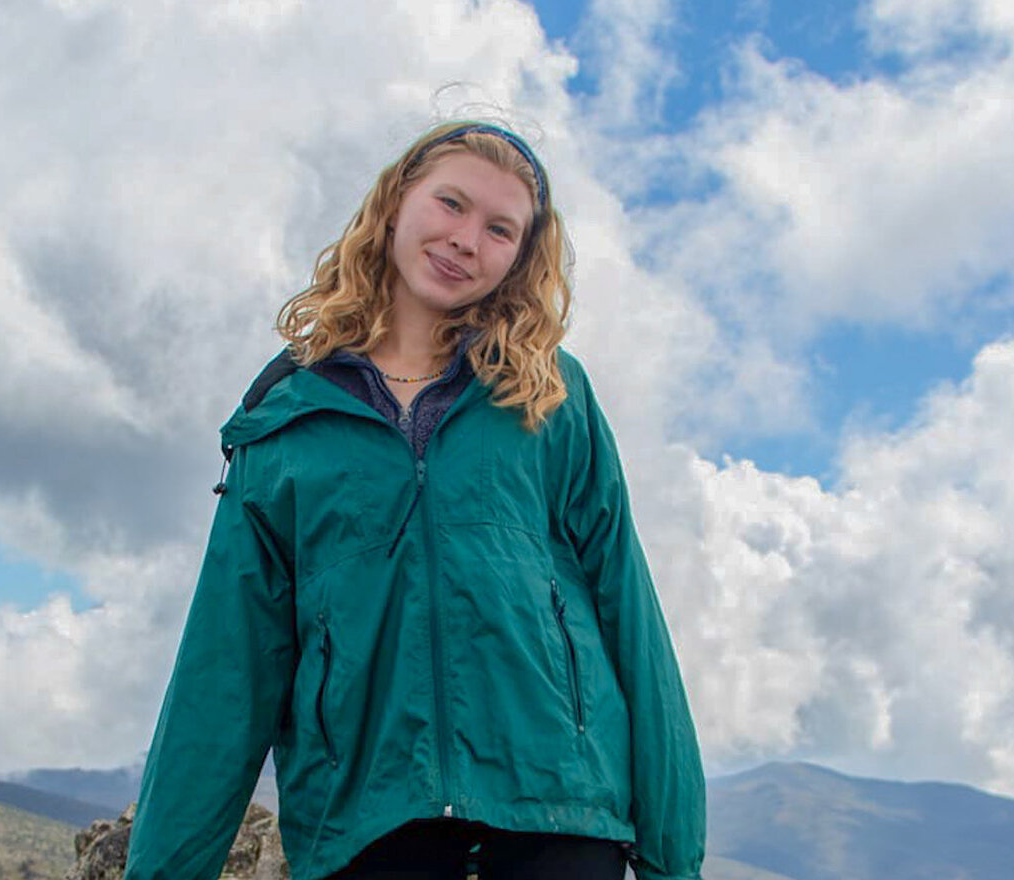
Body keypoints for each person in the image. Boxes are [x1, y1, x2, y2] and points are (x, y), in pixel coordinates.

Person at [123, 120, 706, 880]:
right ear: (397, 202)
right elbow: (226, 667)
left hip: (559, 815)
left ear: (522, 257)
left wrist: (673, 856)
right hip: (365, 825)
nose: (467, 239)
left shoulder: (549, 396)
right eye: (451, 204)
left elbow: (628, 609)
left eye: (500, 229)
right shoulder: (287, 421)